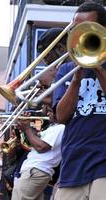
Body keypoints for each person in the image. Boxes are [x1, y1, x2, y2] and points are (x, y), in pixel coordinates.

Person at [52, 2, 106, 200]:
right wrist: (76, 79)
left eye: (87, 28)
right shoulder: (66, 70)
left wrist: (98, 67)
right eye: (76, 29)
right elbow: (61, 116)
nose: (80, 34)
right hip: (73, 165)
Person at [11, 106, 65, 200]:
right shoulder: (53, 128)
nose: (48, 114)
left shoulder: (61, 127)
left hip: (36, 170)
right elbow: (35, 142)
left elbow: (41, 147)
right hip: (37, 171)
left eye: (50, 112)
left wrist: (27, 128)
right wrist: (24, 129)